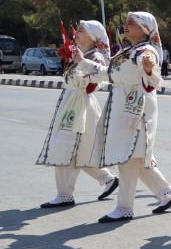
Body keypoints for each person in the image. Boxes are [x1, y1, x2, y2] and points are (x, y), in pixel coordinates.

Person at [89, 11, 171, 223]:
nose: (126, 25)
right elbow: (110, 73)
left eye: (132, 23)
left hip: (135, 108)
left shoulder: (145, 51)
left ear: (144, 29)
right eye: (126, 22)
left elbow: (152, 77)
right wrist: (84, 65)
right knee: (135, 156)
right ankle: (166, 193)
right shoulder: (128, 50)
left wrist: (148, 69)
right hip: (124, 105)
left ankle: (124, 208)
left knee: (128, 157)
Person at [35, 20, 119, 207]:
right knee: (78, 149)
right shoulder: (80, 53)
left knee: (67, 147)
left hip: (81, 106)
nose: (76, 33)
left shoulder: (94, 56)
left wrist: (81, 62)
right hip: (71, 103)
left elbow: (98, 80)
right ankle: (108, 179)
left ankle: (65, 194)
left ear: (91, 36)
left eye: (80, 30)